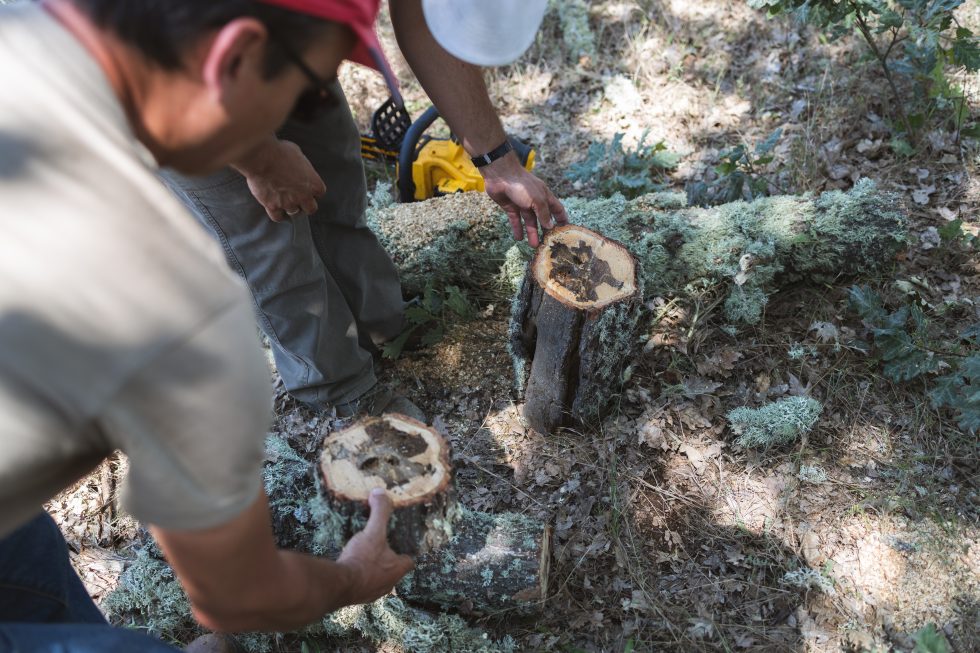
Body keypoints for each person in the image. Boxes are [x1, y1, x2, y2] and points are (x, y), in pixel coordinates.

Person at [0, 1, 417, 651]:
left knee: (27, 572)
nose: (313, 113)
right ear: (234, 59)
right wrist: (350, 576)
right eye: (307, 91)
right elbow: (239, 595)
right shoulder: (167, 310)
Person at [161, 0, 568, 421]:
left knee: (334, 183)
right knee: (268, 240)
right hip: (174, 75)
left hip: (274, 35)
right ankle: (337, 389)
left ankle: (380, 322)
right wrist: (261, 161)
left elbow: (424, 24)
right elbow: (162, 56)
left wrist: (497, 161)